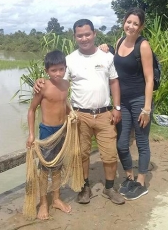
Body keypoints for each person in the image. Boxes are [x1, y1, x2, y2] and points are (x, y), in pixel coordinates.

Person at [34, 19, 125, 205]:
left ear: (94, 34)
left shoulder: (107, 57)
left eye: (87, 34)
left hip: (105, 114)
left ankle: (109, 188)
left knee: (109, 154)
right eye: (79, 35)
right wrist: (39, 81)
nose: (84, 38)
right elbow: (57, 81)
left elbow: (114, 82)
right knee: (81, 154)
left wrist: (117, 107)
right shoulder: (69, 60)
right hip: (79, 115)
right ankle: (85, 188)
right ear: (75, 37)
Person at [100, 7, 153, 200]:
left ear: (141, 27)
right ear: (124, 22)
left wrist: (146, 109)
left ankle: (141, 182)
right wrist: (106, 49)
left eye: (135, 24)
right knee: (122, 144)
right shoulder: (120, 41)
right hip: (122, 102)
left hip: (139, 101)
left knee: (141, 141)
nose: (131, 26)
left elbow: (149, 79)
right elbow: (115, 67)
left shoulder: (143, 45)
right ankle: (129, 177)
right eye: (128, 22)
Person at [26, 50, 72, 219]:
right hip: (47, 131)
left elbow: (63, 103)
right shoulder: (42, 86)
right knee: (45, 169)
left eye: (61, 69)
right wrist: (31, 135)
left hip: (61, 130)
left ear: (65, 68)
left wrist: (71, 115)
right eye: (54, 70)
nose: (58, 73)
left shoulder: (66, 85)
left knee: (58, 167)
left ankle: (57, 199)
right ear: (47, 71)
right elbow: (31, 110)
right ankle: (44, 203)